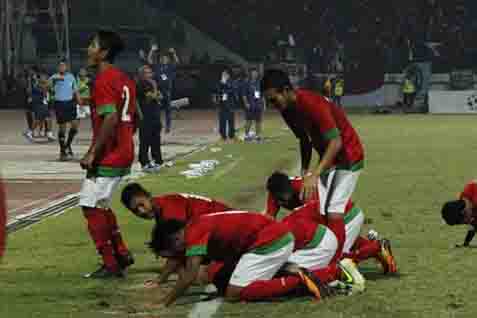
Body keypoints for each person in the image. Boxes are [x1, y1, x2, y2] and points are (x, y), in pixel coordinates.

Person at [261, 69, 365, 263]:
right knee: (325, 213)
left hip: (349, 156)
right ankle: (365, 249)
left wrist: (315, 174)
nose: (272, 106)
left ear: (286, 90)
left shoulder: (311, 103)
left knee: (334, 211)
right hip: (330, 158)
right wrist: (305, 171)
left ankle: (335, 265)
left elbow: (336, 143)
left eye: (273, 100)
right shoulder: (288, 111)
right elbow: (303, 139)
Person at [149, 212, 335, 305]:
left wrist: (165, 302)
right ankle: (289, 270)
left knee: (234, 294)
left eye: (174, 250)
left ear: (175, 237)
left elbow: (189, 277)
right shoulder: (197, 224)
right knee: (222, 281)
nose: (178, 254)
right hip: (268, 238)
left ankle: (302, 280)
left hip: (269, 242)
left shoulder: (193, 232)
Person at [79, 30, 137, 279]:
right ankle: (121, 254)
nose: (88, 49)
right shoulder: (124, 79)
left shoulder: (103, 80)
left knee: (90, 206)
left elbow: (111, 118)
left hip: (109, 154)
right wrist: (126, 142)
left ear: (103, 53)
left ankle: (111, 262)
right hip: (122, 150)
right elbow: (135, 117)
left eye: (92, 45)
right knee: (100, 205)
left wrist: (94, 152)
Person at [265, 171, 397, 274]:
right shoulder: (274, 194)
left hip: (343, 215)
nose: (283, 202)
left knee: (336, 255)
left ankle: (377, 247)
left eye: (285, 198)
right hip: (330, 215)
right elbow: (268, 222)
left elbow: (323, 222)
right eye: (280, 199)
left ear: (290, 187)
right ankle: (373, 249)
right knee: (333, 247)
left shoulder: (307, 190)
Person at [121, 182, 233, 283]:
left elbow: (177, 250)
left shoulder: (171, 211)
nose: (141, 211)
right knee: (170, 250)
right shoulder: (164, 205)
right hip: (221, 228)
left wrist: (162, 278)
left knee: (198, 275)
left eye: (141, 204)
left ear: (148, 196)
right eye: (135, 210)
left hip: (228, 231)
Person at [49, 61, 82, 160]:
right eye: (60, 66)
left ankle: (68, 145)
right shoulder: (54, 77)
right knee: (62, 128)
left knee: (75, 125)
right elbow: (47, 86)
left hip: (70, 103)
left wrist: (79, 100)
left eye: (63, 66)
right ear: (58, 67)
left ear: (66, 67)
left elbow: (75, 90)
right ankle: (62, 151)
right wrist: (53, 80)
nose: (62, 67)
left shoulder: (71, 77)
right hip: (60, 104)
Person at [136, 65, 163, 172]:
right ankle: (144, 162)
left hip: (155, 115)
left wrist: (155, 91)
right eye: (146, 73)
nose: (149, 75)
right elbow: (152, 96)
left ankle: (158, 161)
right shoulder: (141, 84)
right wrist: (155, 87)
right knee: (145, 140)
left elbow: (160, 97)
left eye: (150, 72)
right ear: (142, 74)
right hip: (145, 116)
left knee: (156, 139)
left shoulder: (152, 83)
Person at [148, 46, 180, 134]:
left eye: (165, 58)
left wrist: (174, 53)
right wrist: (152, 51)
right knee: (156, 110)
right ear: (160, 59)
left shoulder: (170, 66)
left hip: (167, 91)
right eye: (162, 58)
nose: (164, 59)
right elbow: (149, 60)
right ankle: (158, 125)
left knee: (168, 110)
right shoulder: (157, 66)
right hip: (159, 92)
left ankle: (168, 127)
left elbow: (177, 62)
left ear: (168, 60)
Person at [441, 180, 477, 247]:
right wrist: (466, 244)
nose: (468, 222)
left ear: (464, 212)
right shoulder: (466, 197)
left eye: (465, 221)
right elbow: (474, 224)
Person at [214, 67, 239, 143]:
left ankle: (232, 135)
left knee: (231, 121)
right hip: (222, 105)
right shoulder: (220, 82)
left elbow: (232, 90)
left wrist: (225, 85)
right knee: (222, 121)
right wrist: (222, 84)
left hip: (230, 104)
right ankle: (223, 136)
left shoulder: (232, 82)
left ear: (228, 75)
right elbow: (217, 90)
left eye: (225, 74)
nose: (223, 76)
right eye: (222, 74)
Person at [241, 68, 265, 142]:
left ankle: (258, 135)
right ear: (250, 74)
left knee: (258, 121)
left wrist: (264, 104)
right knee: (249, 120)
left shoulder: (259, 82)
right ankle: (246, 135)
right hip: (250, 104)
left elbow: (262, 94)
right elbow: (244, 95)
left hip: (258, 104)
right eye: (253, 73)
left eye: (256, 73)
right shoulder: (247, 83)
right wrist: (246, 103)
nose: (254, 74)